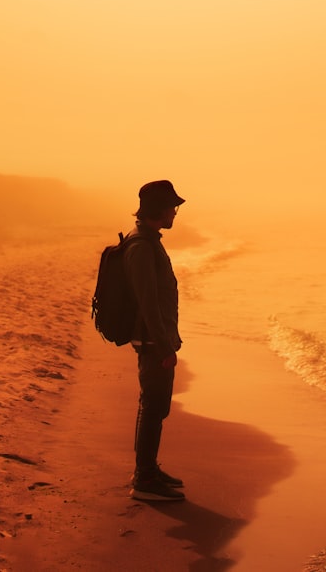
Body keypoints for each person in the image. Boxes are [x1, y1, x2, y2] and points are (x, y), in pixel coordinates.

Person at [124, 180, 186, 501]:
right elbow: (148, 302)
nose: (174, 212)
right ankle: (144, 478)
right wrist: (163, 347)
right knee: (153, 405)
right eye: (171, 207)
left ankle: (147, 468)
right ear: (159, 210)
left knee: (156, 405)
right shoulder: (142, 246)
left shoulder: (148, 240)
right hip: (152, 341)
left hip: (155, 338)